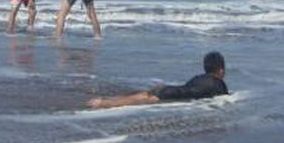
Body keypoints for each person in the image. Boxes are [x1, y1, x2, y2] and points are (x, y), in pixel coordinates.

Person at [87, 51, 230, 108]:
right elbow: (225, 99)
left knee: (142, 95)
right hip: (172, 93)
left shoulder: (199, 78)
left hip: (169, 89)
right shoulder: (218, 84)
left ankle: (105, 99)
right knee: (140, 100)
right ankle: (103, 103)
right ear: (221, 70)